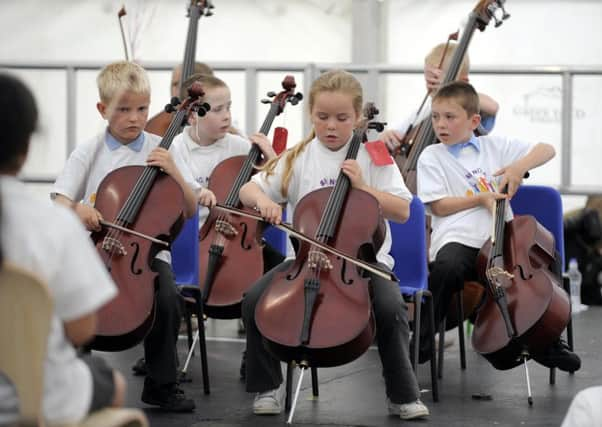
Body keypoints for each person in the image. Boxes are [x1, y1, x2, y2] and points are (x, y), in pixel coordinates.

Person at [238, 69, 429, 420]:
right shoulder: (299, 156)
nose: (331, 126)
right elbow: (247, 188)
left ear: (357, 118)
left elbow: (402, 210)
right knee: (253, 300)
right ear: (311, 115)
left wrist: (364, 188)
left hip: (365, 263)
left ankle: (402, 394)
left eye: (342, 118)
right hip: (305, 260)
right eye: (322, 117)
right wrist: (262, 202)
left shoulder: (373, 156)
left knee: (389, 308)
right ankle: (267, 387)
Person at [51, 61, 198, 412]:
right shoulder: (89, 150)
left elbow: (190, 209)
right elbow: (59, 201)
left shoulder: (164, 147)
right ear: (103, 110)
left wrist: (173, 169)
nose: (135, 118)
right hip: (96, 248)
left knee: (166, 295)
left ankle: (161, 385)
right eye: (124, 109)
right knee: (73, 294)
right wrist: (78, 211)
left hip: (146, 255)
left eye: (142, 109)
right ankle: (77, 379)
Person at [415, 80, 581, 373]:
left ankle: (547, 340)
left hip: (502, 237)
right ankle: (422, 341)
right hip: (459, 238)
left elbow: (547, 149)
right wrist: (479, 199)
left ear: (474, 120)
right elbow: (438, 206)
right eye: (436, 117)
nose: (440, 124)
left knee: (543, 259)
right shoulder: (431, 156)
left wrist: (519, 167)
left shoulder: (496, 146)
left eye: (450, 117)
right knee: (446, 269)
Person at [0, 74, 126, 425]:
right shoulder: (54, 225)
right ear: (26, 147)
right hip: (37, 399)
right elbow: (82, 331)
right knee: (110, 380)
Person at [170, 72, 284, 379]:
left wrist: (271, 158)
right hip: (194, 238)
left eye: (228, 108)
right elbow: (179, 191)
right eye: (217, 109)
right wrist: (198, 193)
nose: (227, 116)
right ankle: (163, 357)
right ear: (193, 113)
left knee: (278, 267)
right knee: (164, 276)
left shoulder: (238, 146)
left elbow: (274, 187)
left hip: (239, 237)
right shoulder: (177, 148)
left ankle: (257, 352)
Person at [380, 41, 499, 153]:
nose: (432, 87)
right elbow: (398, 133)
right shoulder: (424, 112)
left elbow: (492, 106)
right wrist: (388, 136)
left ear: (463, 82)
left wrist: (453, 88)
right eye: (428, 81)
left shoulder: (467, 107)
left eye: (436, 81)